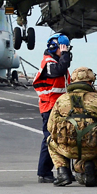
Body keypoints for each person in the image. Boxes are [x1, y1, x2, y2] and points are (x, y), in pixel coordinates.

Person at [47, 67, 97, 187]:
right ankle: (91, 165)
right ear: (90, 82)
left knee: (50, 141)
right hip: (94, 149)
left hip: (68, 149)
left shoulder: (62, 99)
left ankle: (63, 173)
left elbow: (50, 126)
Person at [33, 34, 72, 184]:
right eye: (63, 48)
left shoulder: (55, 62)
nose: (65, 51)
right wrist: (65, 55)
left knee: (64, 138)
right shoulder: (49, 63)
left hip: (60, 107)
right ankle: (43, 172)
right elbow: (60, 69)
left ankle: (64, 171)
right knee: (49, 139)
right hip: (50, 106)